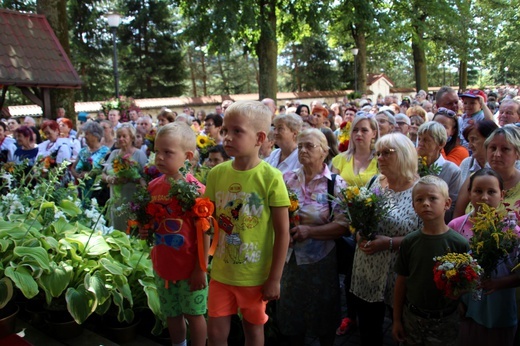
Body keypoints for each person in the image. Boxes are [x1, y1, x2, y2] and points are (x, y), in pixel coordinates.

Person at [204, 100, 290, 346]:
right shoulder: (216, 174)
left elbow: (283, 233)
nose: (228, 137)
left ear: (259, 137)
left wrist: (274, 278)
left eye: (237, 131)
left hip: (254, 276)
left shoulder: (271, 178)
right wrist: (202, 262)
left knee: (253, 331)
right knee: (217, 330)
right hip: (221, 272)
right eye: (225, 131)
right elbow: (207, 223)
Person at [278, 128, 349, 345]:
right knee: (292, 316)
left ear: (324, 151)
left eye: (309, 146)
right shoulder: (285, 179)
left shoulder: (335, 184)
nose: (303, 150)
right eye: (300, 146)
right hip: (290, 260)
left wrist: (310, 231)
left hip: (322, 261)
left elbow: (344, 225)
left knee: (324, 316)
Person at [350, 133, 421, 346]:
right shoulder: (374, 183)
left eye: (386, 153)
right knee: (369, 333)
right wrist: (358, 234)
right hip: (368, 271)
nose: (380, 158)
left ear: (405, 155)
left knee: (403, 332)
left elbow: (425, 234)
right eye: (378, 153)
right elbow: (357, 220)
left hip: (399, 274)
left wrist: (388, 243)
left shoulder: (421, 189)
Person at [141, 122, 209, 346]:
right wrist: (144, 228)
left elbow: (204, 233)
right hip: (164, 266)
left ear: (187, 156)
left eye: (167, 152)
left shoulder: (197, 191)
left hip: (190, 270)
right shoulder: (153, 187)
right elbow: (150, 222)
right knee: (171, 313)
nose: (159, 157)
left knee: (194, 314)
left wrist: (201, 268)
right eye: (156, 151)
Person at [393, 176, 469, 346]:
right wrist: (397, 319)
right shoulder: (409, 242)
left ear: (447, 203)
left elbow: (466, 282)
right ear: (413, 206)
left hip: (446, 320)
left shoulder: (459, 243)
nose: (426, 203)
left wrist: (459, 297)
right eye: (419, 199)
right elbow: (401, 281)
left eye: (433, 198)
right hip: (413, 318)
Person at [448, 168, 520, 346]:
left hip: (499, 311)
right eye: (478, 191)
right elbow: (446, 269)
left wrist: (497, 283)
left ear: (501, 195)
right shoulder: (456, 227)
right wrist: (456, 300)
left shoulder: (512, 232)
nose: (484, 197)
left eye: (491, 192)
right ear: (469, 193)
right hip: (466, 309)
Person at [454, 125, 520, 218]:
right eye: (492, 148)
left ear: (518, 154)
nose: (497, 154)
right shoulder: (474, 179)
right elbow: (457, 219)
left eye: (505, 149)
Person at [102, 124, 147, 232]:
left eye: (124, 136)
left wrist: (131, 179)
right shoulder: (114, 154)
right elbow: (103, 174)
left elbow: (146, 177)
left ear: (131, 137)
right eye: (118, 136)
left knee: (131, 227)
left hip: (132, 199)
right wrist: (110, 179)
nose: (121, 139)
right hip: (116, 199)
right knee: (117, 228)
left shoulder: (139, 154)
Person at [417, 122, 462, 222]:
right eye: (419, 139)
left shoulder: (453, 171)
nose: (420, 143)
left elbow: (451, 207)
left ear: (441, 144)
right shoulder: (413, 166)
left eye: (426, 140)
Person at [332, 114, 379, 187]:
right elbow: (332, 188)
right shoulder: (340, 159)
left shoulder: (380, 160)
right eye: (355, 130)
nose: (359, 133)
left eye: (364, 130)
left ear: (374, 134)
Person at [71, 122, 110, 204]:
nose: (85, 136)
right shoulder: (83, 151)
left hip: (98, 190)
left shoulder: (106, 152)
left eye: (87, 134)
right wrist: (77, 176)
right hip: (82, 189)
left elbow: (107, 172)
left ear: (95, 136)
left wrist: (90, 173)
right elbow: (73, 168)